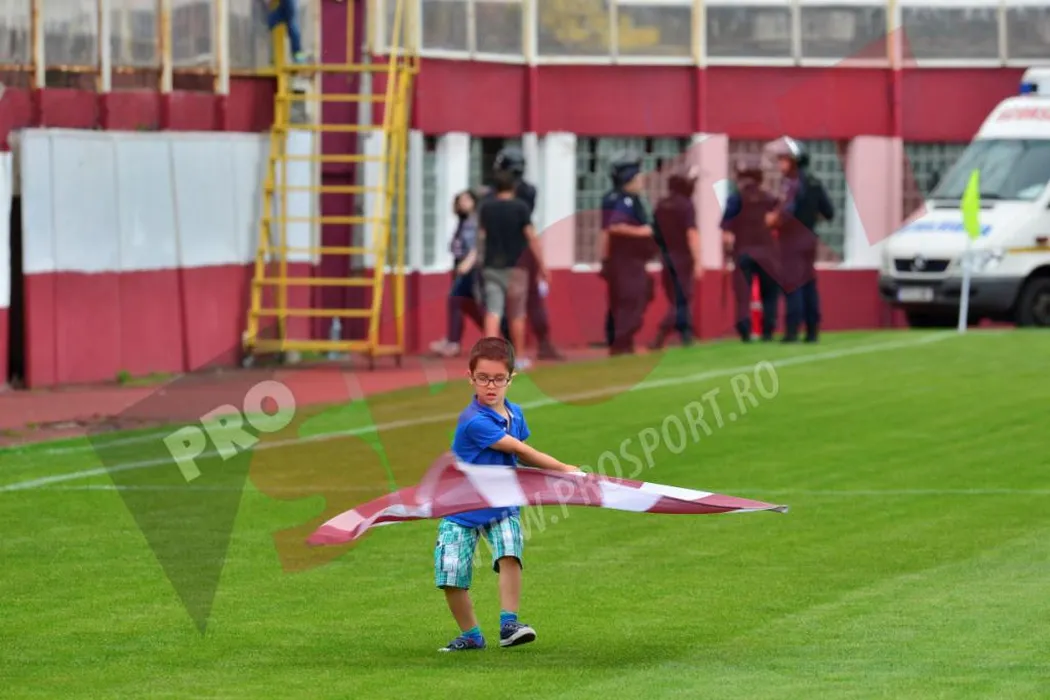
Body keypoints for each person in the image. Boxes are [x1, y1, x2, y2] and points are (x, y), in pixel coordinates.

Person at [436, 337, 581, 652]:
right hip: (461, 508)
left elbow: (522, 457)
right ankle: (471, 635)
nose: (491, 386)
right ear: (470, 378)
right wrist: (562, 469)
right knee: (451, 576)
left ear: (511, 379)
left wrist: (557, 478)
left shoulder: (515, 414)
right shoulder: (473, 420)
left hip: (501, 504)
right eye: (483, 378)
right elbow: (518, 449)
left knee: (510, 553)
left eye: (498, 379)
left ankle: (509, 624)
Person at [457, 168, 550, 369]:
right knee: (517, 313)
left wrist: (478, 261)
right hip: (516, 266)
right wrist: (542, 265)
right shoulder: (520, 208)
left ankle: (489, 357)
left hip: (491, 265)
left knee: (493, 311)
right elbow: (531, 237)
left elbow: (481, 237)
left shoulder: (486, 208)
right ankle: (519, 356)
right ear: (513, 187)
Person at [485, 147, 566, 363]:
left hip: (496, 255)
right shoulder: (526, 194)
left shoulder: (492, 199)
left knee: (497, 308)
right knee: (523, 305)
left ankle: (503, 350)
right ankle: (527, 349)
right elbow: (529, 232)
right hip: (520, 253)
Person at [764, 137, 834, 343]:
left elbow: (785, 213)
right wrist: (809, 217)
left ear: (795, 160)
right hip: (809, 239)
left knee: (792, 283)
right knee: (809, 284)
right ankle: (812, 330)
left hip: (792, 240)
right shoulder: (814, 182)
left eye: (784, 159)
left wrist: (770, 221)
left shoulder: (791, 184)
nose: (780, 164)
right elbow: (829, 212)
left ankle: (792, 331)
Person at [599, 153, 658, 355]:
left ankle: (621, 342)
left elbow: (604, 232)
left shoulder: (615, 198)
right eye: (637, 177)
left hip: (622, 261)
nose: (641, 181)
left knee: (623, 300)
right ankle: (621, 344)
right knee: (630, 300)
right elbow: (614, 226)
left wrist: (604, 259)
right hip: (628, 262)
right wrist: (643, 231)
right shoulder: (624, 201)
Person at [721, 155, 780, 342]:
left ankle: (744, 330)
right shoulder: (769, 198)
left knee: (743, 294)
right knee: (769, 294)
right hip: (767, 253)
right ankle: (768, 330)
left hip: (743, 252)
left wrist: (726, 254)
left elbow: (726, 232)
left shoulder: (735, 198)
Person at [650, 165, 703, 349]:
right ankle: (662, 333)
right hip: (682, 257)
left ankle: (686, 335)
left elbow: (655, 232)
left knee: (676, 298)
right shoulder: (686, 205)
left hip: (665, 256)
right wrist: (698, 261)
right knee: (682, 298)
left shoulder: (661, 204)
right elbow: (691, 234)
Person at [430, 191, 486, 357]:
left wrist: (468, 262)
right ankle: (456, 339)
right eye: (460, 201)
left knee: (456, 300)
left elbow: (478, 245)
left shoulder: (474, 222)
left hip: (470, 267)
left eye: (467, 200)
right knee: (466, 304)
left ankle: (453, 342)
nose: (463, 203)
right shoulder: (463, 221)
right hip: (460, 264)